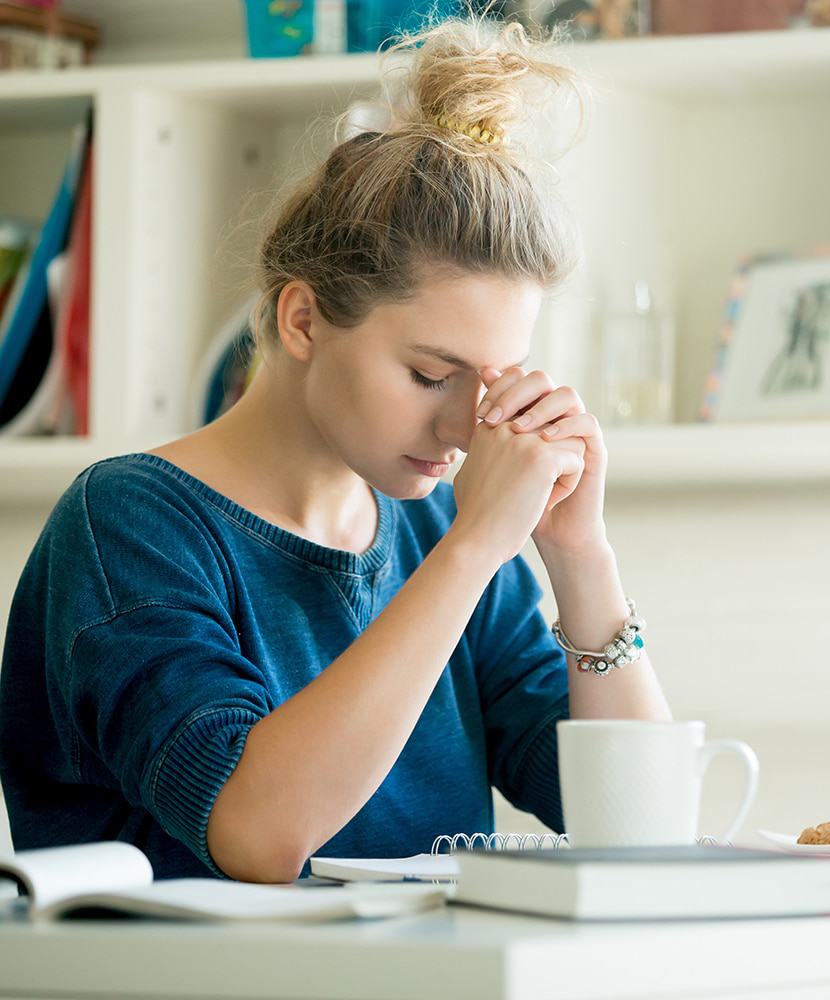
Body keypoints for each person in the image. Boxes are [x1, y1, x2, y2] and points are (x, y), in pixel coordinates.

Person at [0, 18, 671, 883]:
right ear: (304, 318)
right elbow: (258, 831)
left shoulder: (437, 528)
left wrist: (583, 559)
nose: (468, 426)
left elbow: (635, 826)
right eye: (432, 374)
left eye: (490, 382)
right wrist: (473, 550)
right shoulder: (129, 522)